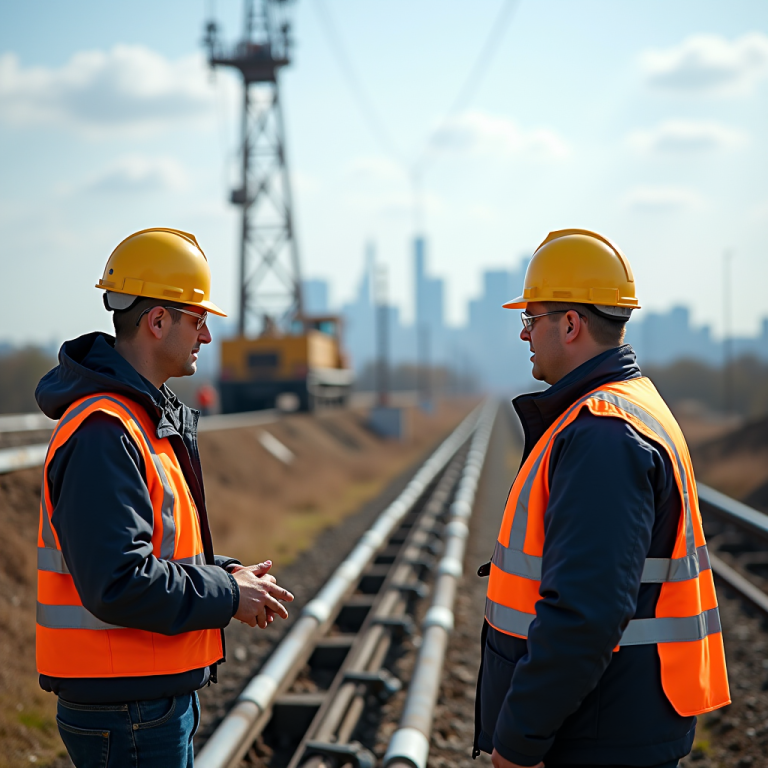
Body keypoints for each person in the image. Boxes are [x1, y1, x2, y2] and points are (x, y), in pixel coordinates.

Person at [35, 228, 294, 767]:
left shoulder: (139, 420)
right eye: (198, 320)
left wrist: (229, 572)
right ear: (157, 321)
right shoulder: (105, 432)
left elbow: (157, 551)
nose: (206, 336)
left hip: (142, 697)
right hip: (127, 706)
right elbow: (118, 581)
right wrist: (225, 594)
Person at [474, 229, 730, 768]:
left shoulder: (603, 433)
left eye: (530, 318)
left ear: (569, 324)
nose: (524, 335)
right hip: (615, 719)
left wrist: (520, 741)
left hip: (598, 735)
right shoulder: (624, 407)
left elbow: (586, 613)